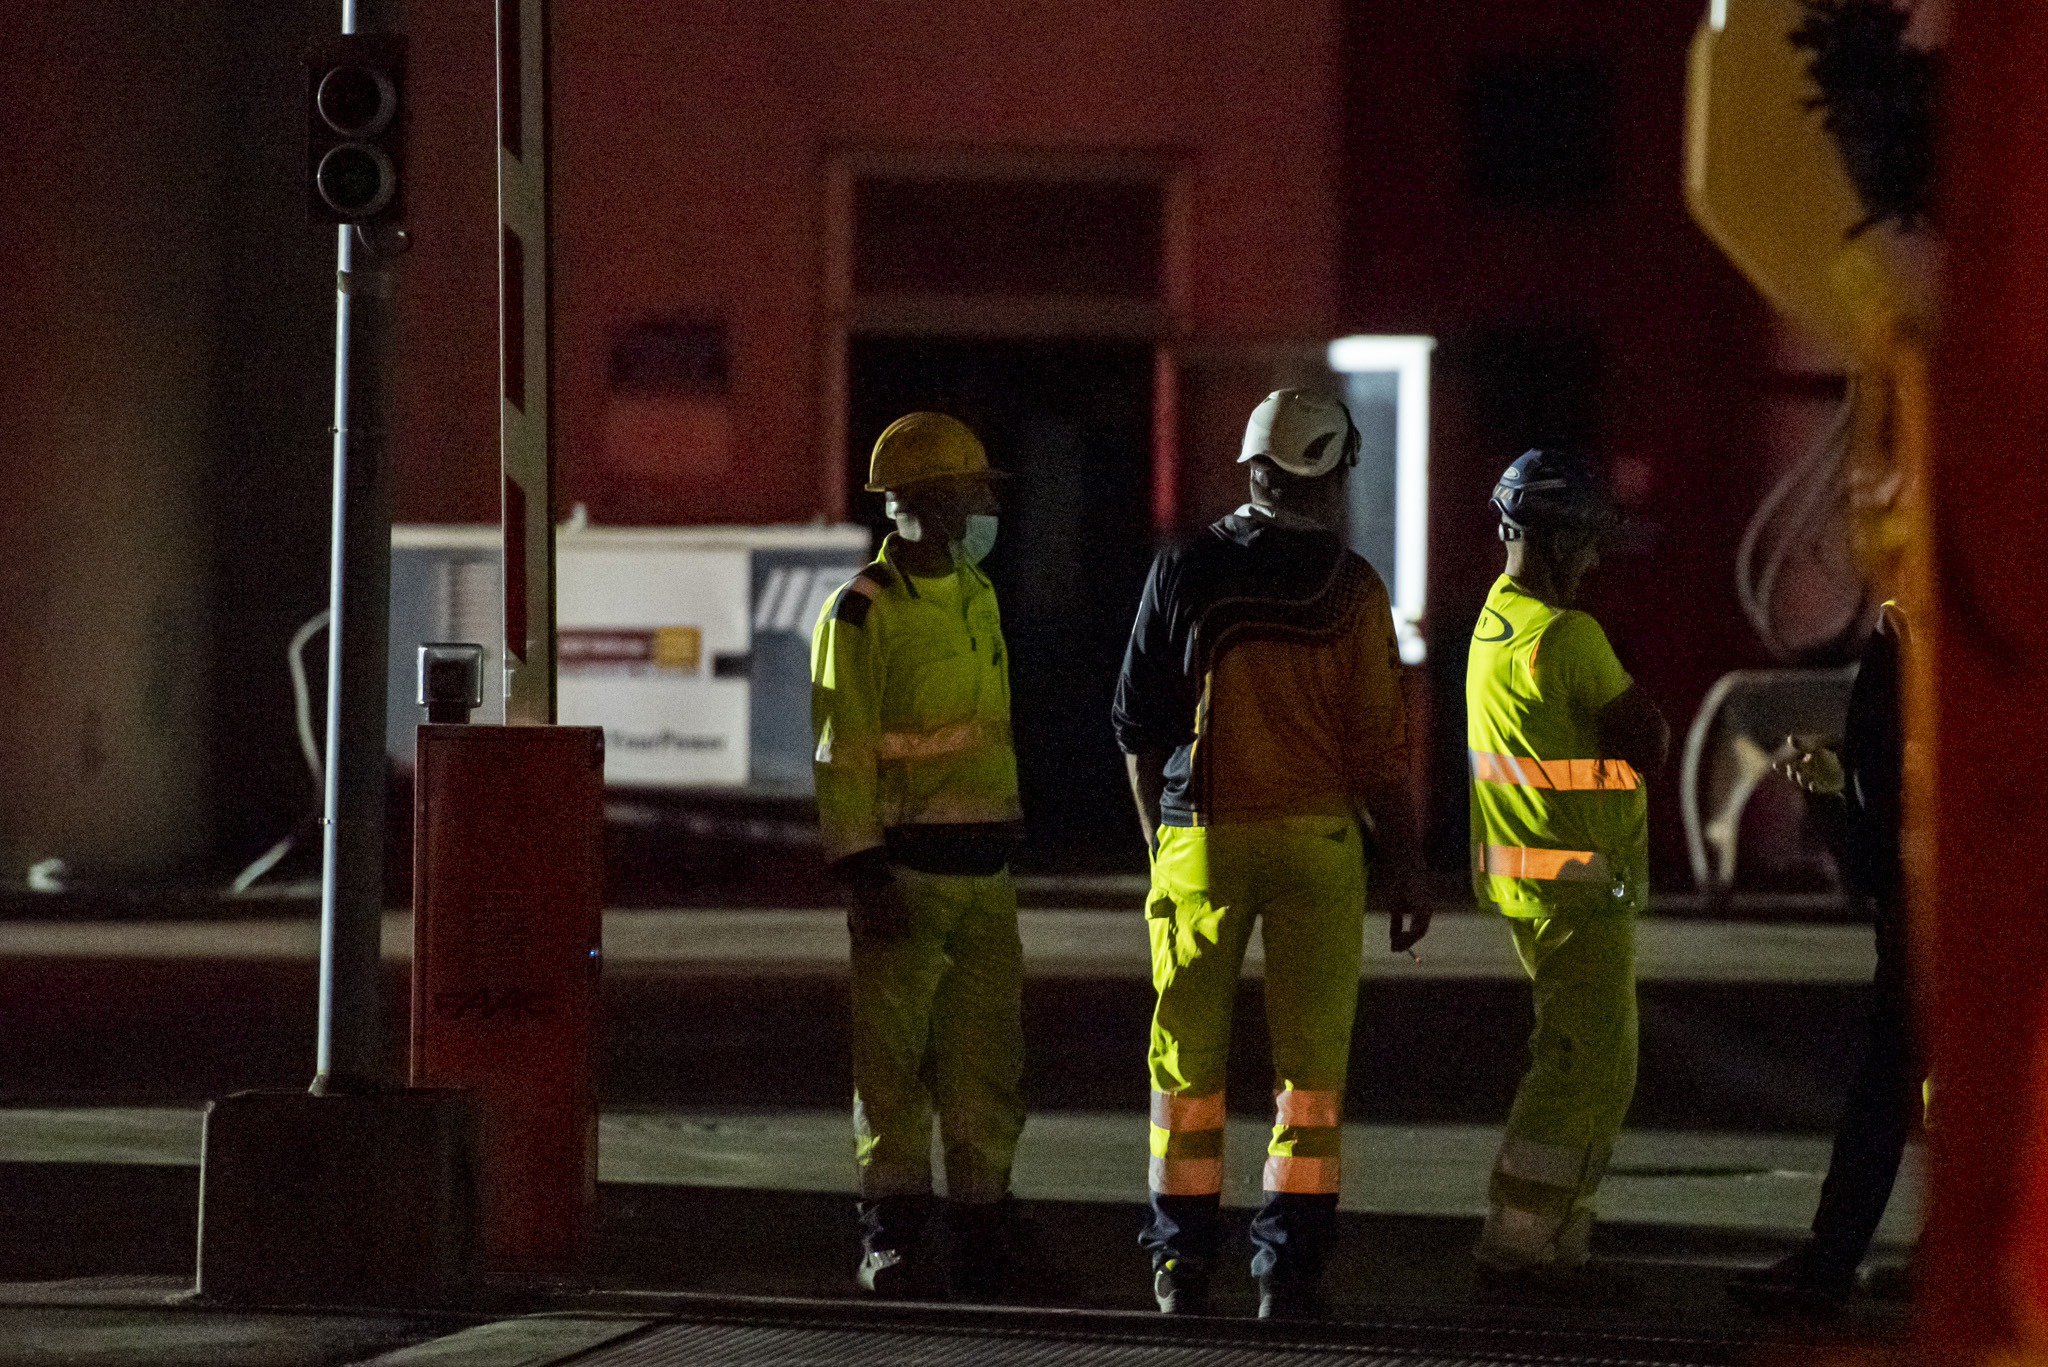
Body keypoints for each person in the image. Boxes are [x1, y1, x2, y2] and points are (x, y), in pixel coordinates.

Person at [1113, 389, 1428, 1320]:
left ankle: (1180, 1264)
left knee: (1186, 1071)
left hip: (1201, 844)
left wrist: (1159, 845)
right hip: (1320, 850)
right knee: (1311, 1078)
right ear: (1326, 472)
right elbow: (1379, 753)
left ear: (1255, 467)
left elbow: (1136, 726)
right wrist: (1407, 866)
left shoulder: (1187, 567)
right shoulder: (1353, 589)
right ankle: (1286, 1272)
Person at [810, 411, 1027, 1300]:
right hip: (905, 875)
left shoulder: (979, 593)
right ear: (928, 503)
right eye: (973, 491)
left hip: (985, 876)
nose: (985, 505)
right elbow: (842, 748)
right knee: (893, 1068)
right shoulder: (862, 612)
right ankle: (890, 1234)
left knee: (986, 1063)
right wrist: (862, 871)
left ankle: (983, 1228)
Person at [1465, 448, 1669, 1299]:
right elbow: (1648, 739)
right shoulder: (1569, 635)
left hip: (1535, 882)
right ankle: (1521, 1246)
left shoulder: (1494, 621)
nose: (1592, 559)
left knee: (1586, 1061)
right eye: (1585, 541)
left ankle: (1559, 1243)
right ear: (1554, 538)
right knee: (1584, 1066)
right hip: (1579, 887)